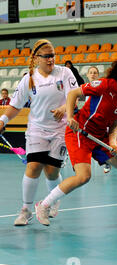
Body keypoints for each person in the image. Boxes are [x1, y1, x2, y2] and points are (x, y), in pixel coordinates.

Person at [34, 60, 117, 226]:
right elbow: (73, 94)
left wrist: (113, 142)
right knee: (83, 176)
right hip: (79, 132)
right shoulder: (104, 85)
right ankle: (43, 206)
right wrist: (71, 117)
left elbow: (116, 122)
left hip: (101, 137)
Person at [0, 39, 78, 226]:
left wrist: (63, 108)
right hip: (37, 129)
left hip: (60, 130)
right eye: (46, 56)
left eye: (53, 55)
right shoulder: (29, 78)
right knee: (34, 166)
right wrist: (2, 120)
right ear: (36, 58)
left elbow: (74, 98)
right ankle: (26, 210)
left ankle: (52, 201)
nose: (51, 59)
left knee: (52, 172)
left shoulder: (65, 73)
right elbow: (15, 105)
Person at [83, 66, 111, 174]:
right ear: (87, 75)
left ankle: (107, 161)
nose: (93, 74)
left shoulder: (102, 88)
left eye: (95, 73)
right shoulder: (85, 89)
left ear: (98, 75)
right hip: (88, 122)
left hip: (100, 122)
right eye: (91, 72)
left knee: (100, 144)